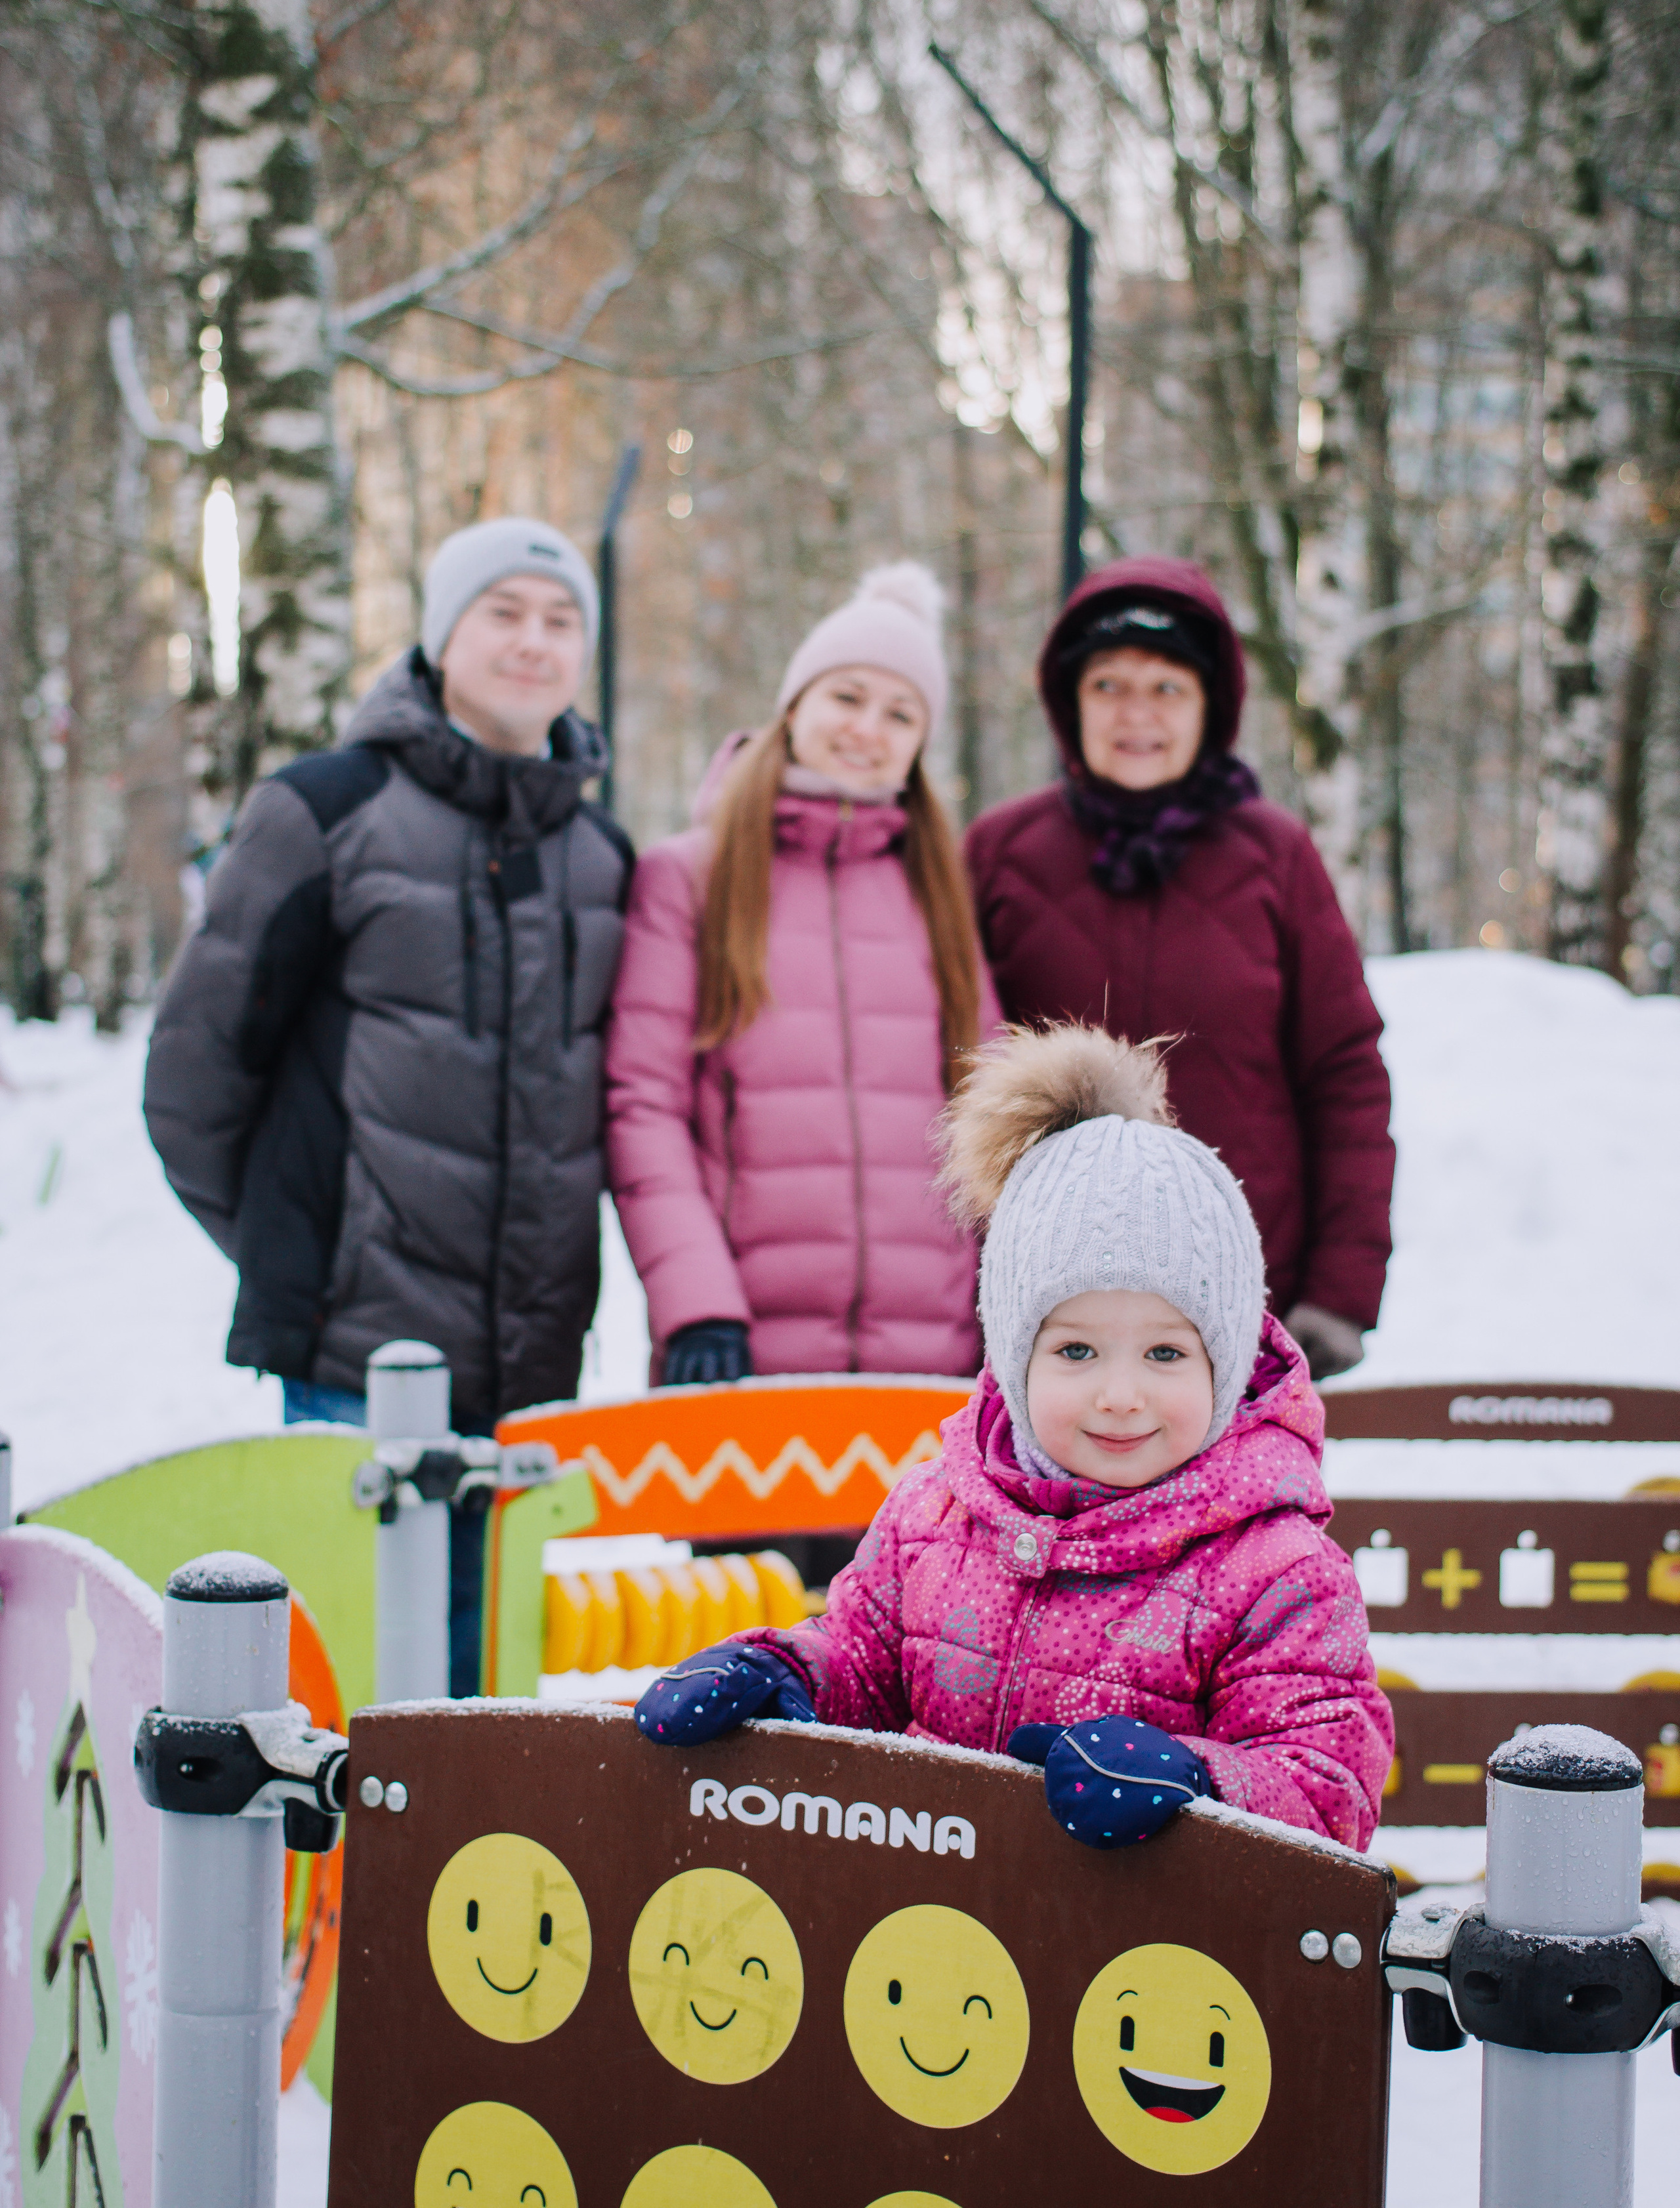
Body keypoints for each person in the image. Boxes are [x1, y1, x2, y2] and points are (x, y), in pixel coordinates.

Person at [632, 1024, 1393, 1852]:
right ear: (1011, 1354)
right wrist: (784, 1673)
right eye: (1075, 1351)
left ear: (1230, 1357)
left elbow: (1326, 1789)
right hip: (933, 1951)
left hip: (1140, 1969)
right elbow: (862, 1664)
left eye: (1167, 1353)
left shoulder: (1276, 1575)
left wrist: (1196, 1783)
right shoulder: (937, 1517)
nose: (1120, 1394)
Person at [142, 516, 633, 1692]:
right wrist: (302, 1253)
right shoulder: (323, 808)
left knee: (477, 1701)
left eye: (560, 621)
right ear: (440, 636)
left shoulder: (602, 856)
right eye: (502, 613)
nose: (533, 642)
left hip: (528, 1366)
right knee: (352, 1688)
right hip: (351, 1357)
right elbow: (194, 1075)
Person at [963, 558, 1393, 1380]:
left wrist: (1341, 1292)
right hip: (1044, 1316)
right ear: (1069, 703)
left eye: (1167, 688)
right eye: (1109, 686)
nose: (1137, 714)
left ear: (1211, 707)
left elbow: (1344, 1074)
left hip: (1243, 1305)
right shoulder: (998, 855)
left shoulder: (1276, 856)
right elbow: (947, 1073)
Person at [606, 562, 999, 1390]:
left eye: (901, 713)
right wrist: (695, 1303)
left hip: (928, 1369)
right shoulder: (692, 879)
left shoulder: (936, 895)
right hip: (739, 1359)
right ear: (795, 707)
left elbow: (991, 1119)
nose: (868, 728)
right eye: (846, 697)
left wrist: (1002, 1312)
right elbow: (644, 1104)